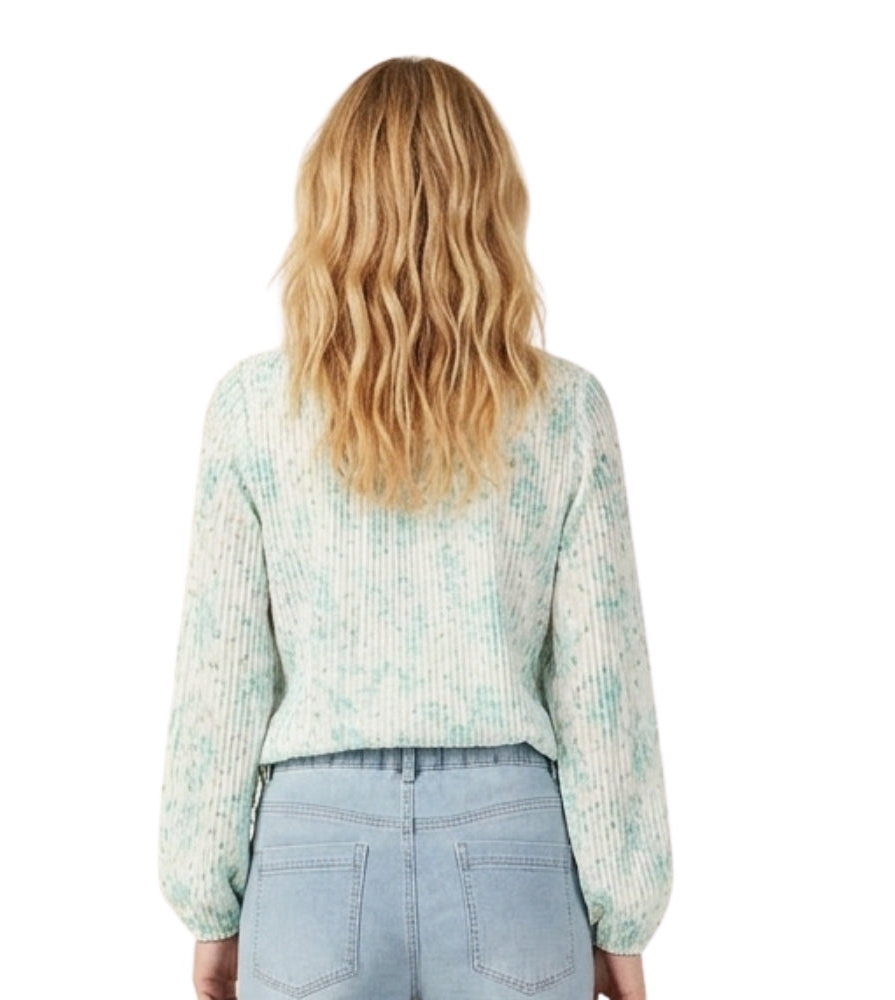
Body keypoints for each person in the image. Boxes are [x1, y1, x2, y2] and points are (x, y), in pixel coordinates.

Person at [157, 56, 673, 1000]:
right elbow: (603, 692)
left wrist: (210, 906)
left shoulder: (251, 410)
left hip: (309, 855)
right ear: (493, 206)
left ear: (331, 204)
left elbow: (221, 683)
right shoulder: (566, 412)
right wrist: (621, 916)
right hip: (515, 849)